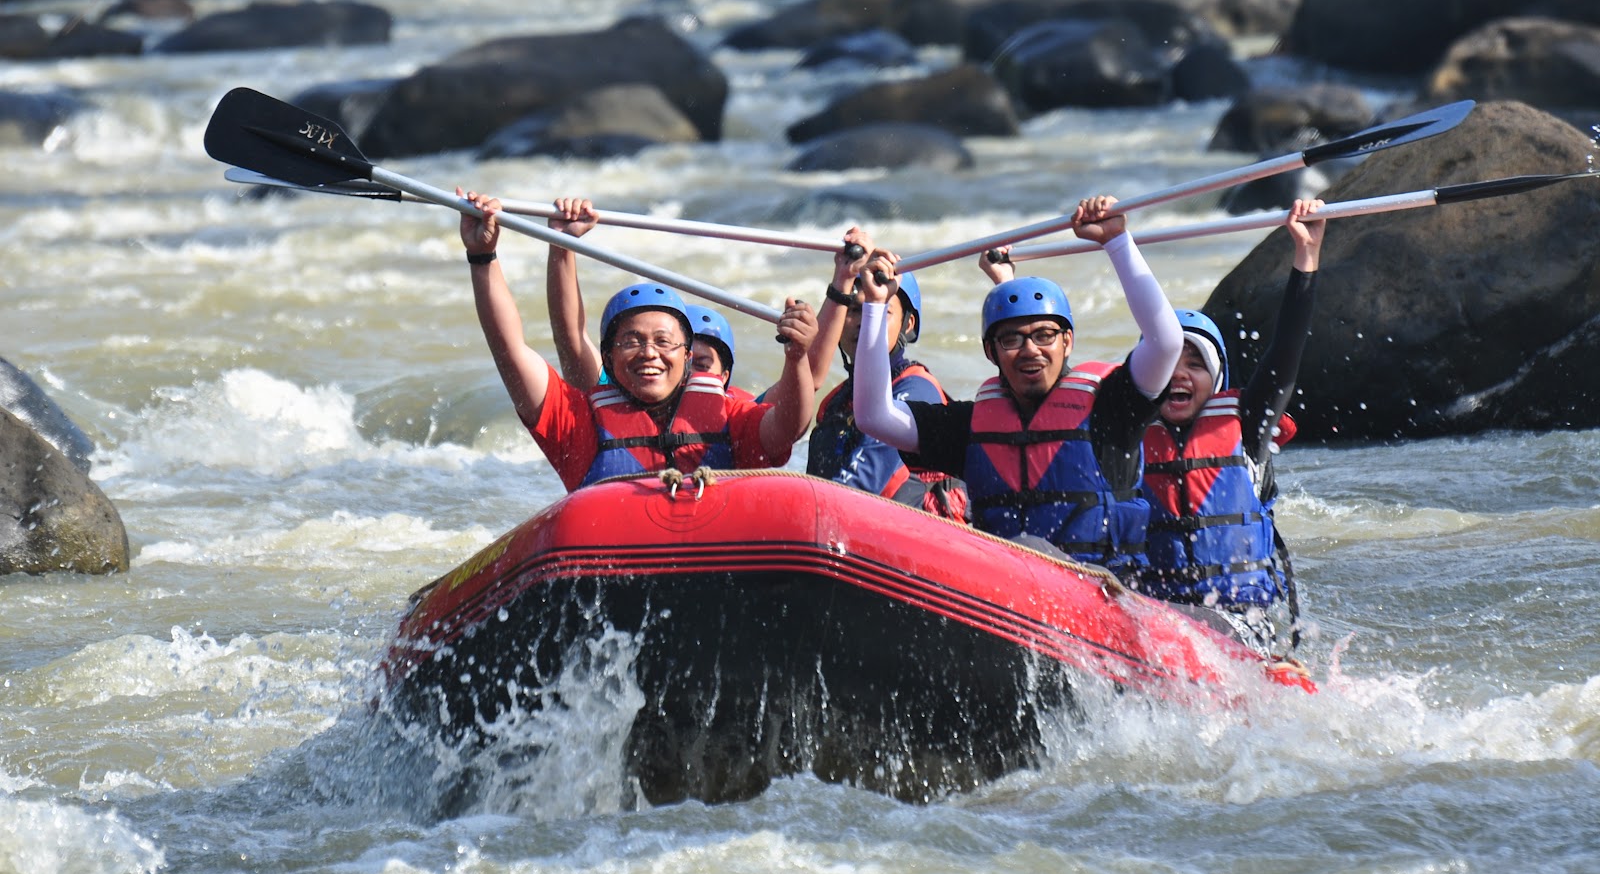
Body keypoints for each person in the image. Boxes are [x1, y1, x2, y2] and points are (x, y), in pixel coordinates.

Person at [852, 196, 1182, 574]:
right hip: (1012, 595)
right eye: (1012, 340)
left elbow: (1166, 342)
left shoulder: (1112, 410)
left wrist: (1117, 242)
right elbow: (875, 415)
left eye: (1044, 335)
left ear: (1067, 342)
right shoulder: (972, 426)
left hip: (1104, 595)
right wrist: (876, 306)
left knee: (1028, 548)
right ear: (991, 352)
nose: (1030, 351)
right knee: (1021, 549)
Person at [457, 189, 817, 491]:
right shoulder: (577, 423)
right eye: (631, 341)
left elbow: (789, 427)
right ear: (609, 360)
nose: (649, 353)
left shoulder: (731, 415)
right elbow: (511, 349)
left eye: (664, 342)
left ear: (688, 357)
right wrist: (482, 256)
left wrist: (797, 355)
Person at [1132, 198, 1327, 656]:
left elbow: (1285, 354)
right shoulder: (1125, 438)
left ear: (1217, 379)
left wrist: (1306, 256)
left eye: (1194, 363)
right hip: (1150, 620)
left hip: (1239, 626)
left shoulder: (1247, 430)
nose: (1179, 375)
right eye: (1167, 363)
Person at [806, 230, 968, 519]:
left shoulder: (917, 388)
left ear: (909, 324)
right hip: (845, 532)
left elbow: (866, 478)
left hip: (904, 544)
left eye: (879, 309)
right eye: (854, 310)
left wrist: (806, 516)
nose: (859, 321)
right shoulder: (834, 401)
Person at [540, 197, 751, 400]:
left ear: (724, 378)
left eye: (702, 365)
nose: (688, 375)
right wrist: (562, 244)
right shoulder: (620, 390)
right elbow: (571, 338)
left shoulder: (739, 418)